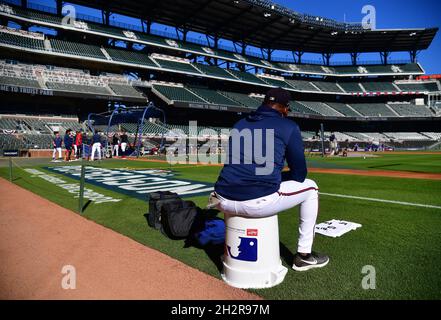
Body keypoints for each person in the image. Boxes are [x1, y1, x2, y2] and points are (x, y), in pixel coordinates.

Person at [213, 88, 329, 272]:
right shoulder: (288, 126)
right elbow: (300, 174)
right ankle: (304, 256)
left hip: (220, 198)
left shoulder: (239, 124)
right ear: (285, 108)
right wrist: (276, 176)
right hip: (255, 201)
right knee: (311, 188)